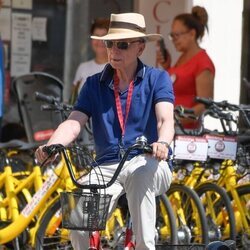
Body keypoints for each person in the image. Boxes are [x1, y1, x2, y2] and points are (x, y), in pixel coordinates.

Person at [36, 12, 174, 250]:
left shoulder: (157, 79)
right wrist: (52, 144)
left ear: (140, 48)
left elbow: (165, 120)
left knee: (140, 177)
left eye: (122, 44)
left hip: (148, 160)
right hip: (106, 167)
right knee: (79, 221)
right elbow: (74, 122)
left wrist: (162, 143)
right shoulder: (93, 84)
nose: (114, 50)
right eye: (110, 43)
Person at [156, 6, 215, 129]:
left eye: (177, 35)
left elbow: (205, 105)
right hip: (171, 128)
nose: (174, 40)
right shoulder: (182, 58)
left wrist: (176, 119)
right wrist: (167, 67)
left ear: (192, 34)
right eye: (172, 35)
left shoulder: (202, 62)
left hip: (188, 134)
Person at [71, 17, 110, 98]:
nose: (100, 41)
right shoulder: (82, 68)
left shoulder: (118, 69)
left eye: (103, 37)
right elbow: (73, 100)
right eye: (96, 36)